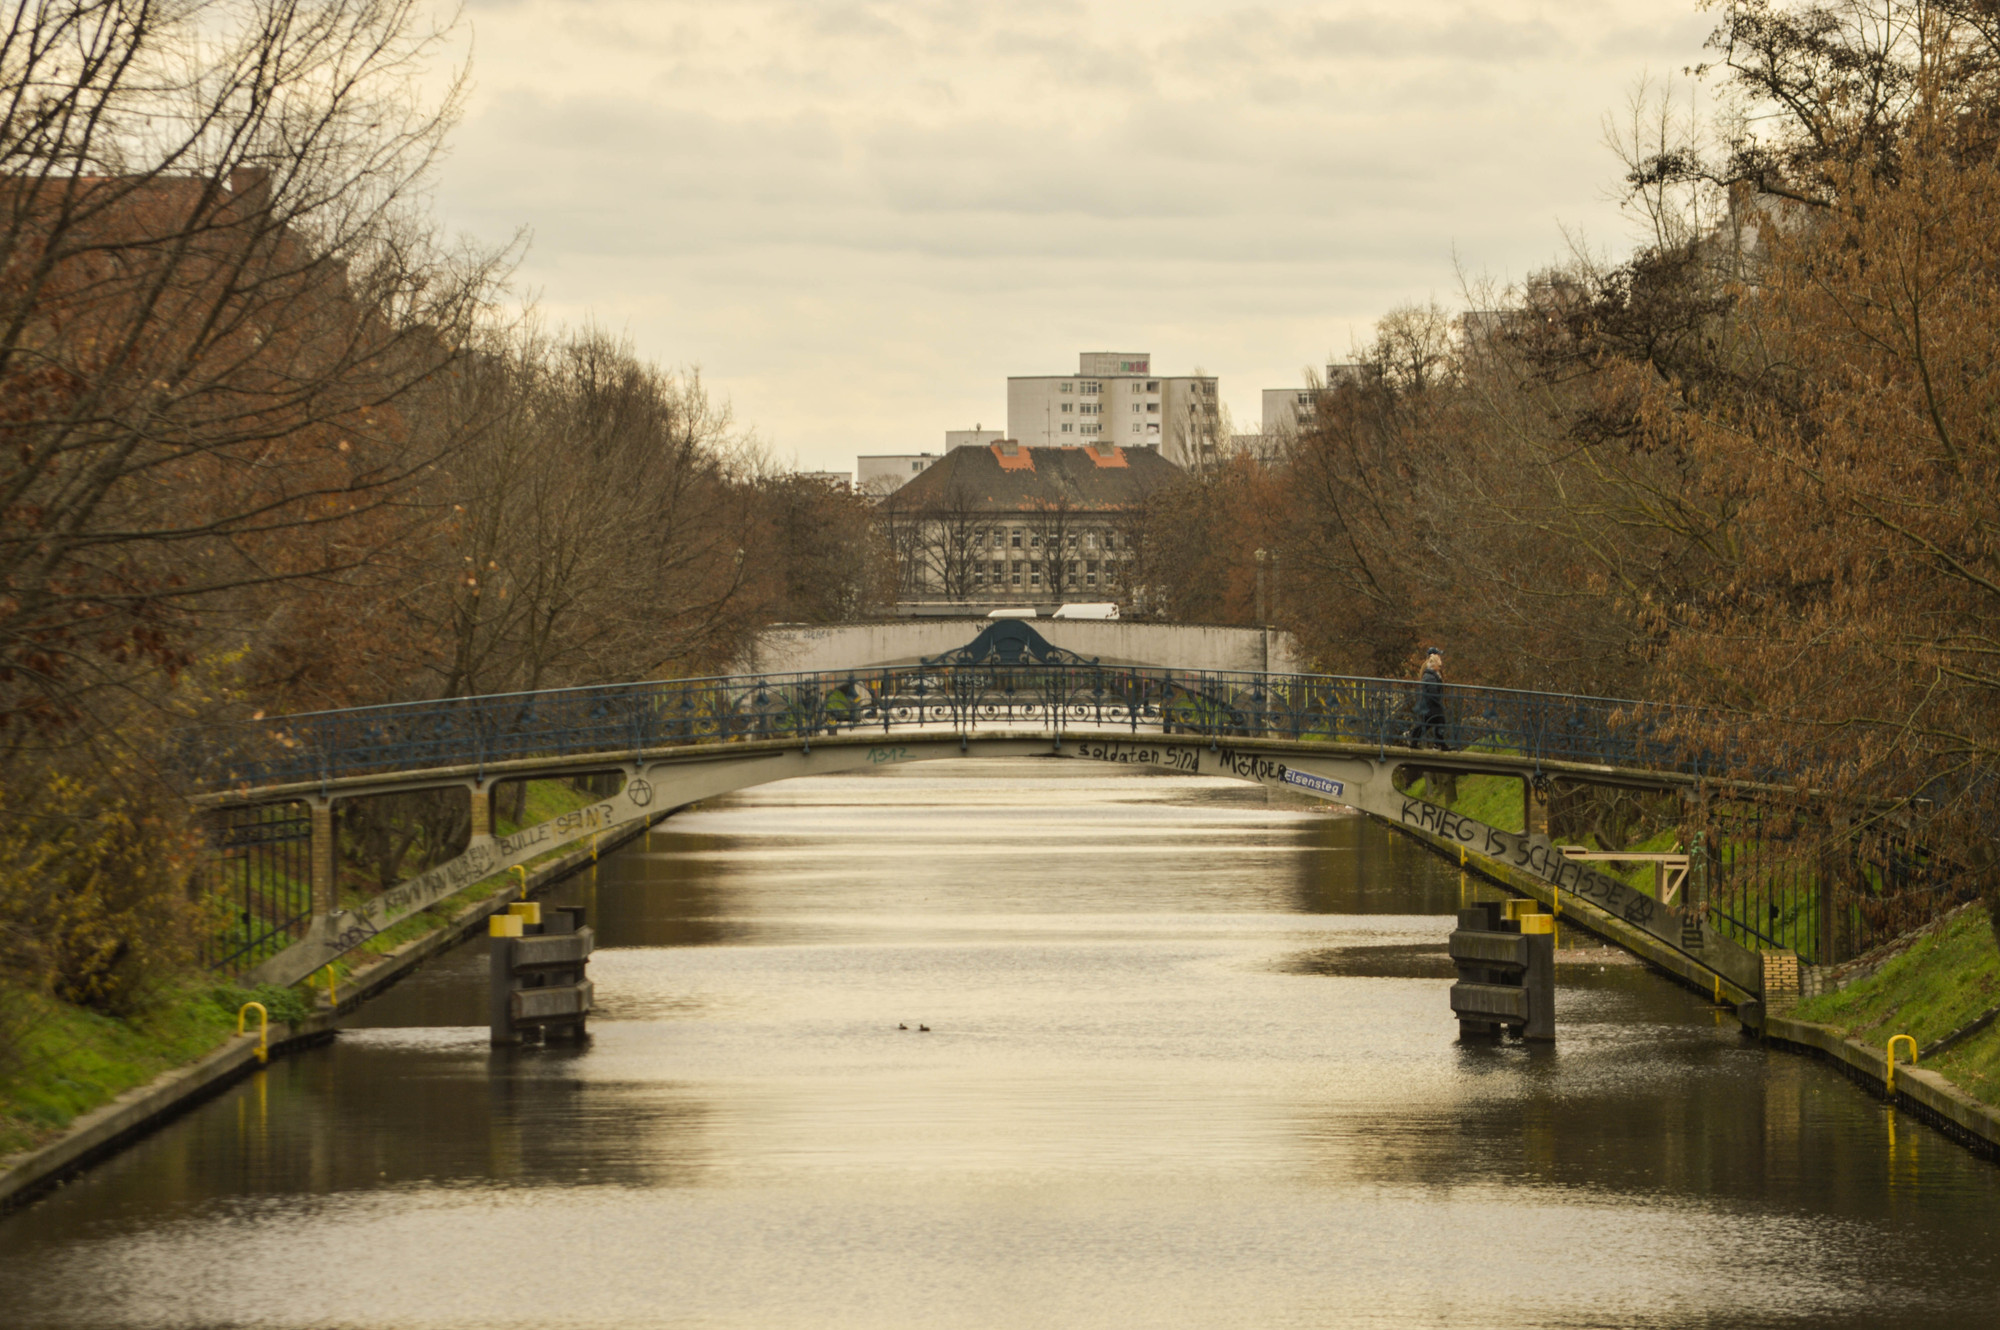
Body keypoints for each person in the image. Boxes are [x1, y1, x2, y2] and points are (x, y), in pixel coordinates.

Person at [1413, 647, 1449, 750]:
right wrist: (1437, 700)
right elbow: (1432, 690)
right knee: (1433, 722)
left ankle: (1439, 744)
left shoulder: (1431, 672)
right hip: (1431, 704)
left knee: (1435, 722)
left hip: (1431, 703)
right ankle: (1439, 744)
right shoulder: (1429, 673)